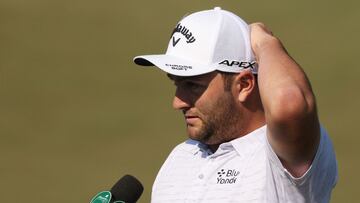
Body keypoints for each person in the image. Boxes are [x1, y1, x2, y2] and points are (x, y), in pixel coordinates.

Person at [133, 7, 337, 203]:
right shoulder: (179, 159)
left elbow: (289, 102)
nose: (177, 102)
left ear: (244, 85)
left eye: (192, 85)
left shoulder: (282, 156)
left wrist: (265, 42)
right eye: (177, 83)